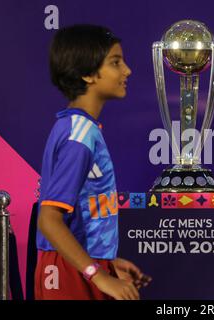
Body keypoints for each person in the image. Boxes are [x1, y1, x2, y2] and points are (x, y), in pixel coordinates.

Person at [35, 24, 147, 300]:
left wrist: (106, 263)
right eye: (116, 63)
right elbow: (49, 221)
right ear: (87, 74)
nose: (127, 71)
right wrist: (98, 276)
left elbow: (82, 212)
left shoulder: (80, 128)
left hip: (78, 266)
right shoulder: (79, 135)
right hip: (67, 274)